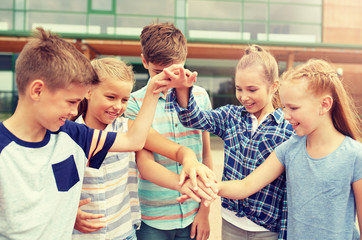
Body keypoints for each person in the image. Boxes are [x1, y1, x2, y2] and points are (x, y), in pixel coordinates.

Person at [0, 27, 203, 240]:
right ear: (37, 90)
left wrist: (153, 89)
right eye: (71, 102)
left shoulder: (73, 134)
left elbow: (134, 140)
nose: (72, 111)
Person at [216, 59, 362, 239]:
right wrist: (209, 186)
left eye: (293, 108)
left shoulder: (358, 156)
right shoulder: (288, 150)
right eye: (285, 107)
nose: (286, 116)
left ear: (324, 104)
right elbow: (246, 186)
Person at [71, 58, 216, 240]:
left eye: (124, 99)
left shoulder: (129, 128)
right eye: (111, 97)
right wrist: (68, 213)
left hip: (125, 233)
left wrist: (189, 160)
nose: (118, 106)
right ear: (88, 91)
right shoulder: (70, 134)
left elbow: (180, 151)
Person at [168, 45, 295, 240]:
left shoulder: (288, 128)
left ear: (274, 86)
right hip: (230, 222)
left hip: (267, 228)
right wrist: (183, 88)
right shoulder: (231, 116)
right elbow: (193, 118)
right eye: (239, 89)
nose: (244, 97)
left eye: (252, 89)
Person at [125, 22, 214, 240]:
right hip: (152, 219)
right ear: (144, 61)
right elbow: (145, 165)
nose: (168, 80)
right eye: (158, 72)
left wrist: (205, 212)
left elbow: (206, 155)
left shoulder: (200, 97)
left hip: (193, 214)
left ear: (184, 60)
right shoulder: (133, 104)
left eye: (175, 72)